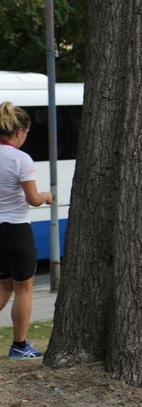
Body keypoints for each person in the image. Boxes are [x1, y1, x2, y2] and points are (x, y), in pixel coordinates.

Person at [0, 102, 52, 359]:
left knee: (3, 286)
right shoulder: (21, 159)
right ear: (19, 131)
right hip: (16, 229)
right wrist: (47, 195)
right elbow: (32, 198)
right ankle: (19, 346)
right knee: (24, 289)